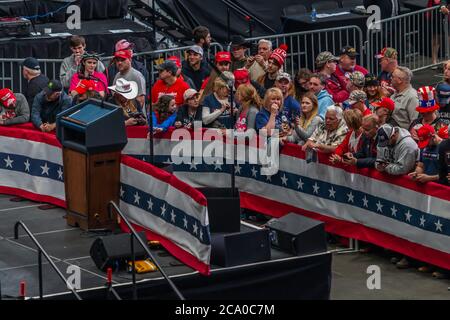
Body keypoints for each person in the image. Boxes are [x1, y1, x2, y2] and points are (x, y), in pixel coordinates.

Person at [435, 60, 450, 125]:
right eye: (445, 68)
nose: (446, 71)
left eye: (449, 69)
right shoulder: (440, 85)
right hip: (441, 119)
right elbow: (441, 105)